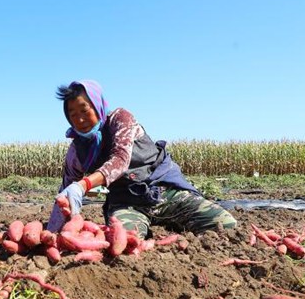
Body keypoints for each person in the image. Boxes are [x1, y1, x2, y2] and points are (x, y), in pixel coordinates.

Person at [48, 79, 237, 237]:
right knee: (124, 242)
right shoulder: (77, 151)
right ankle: (155, 226)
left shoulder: (120, 119)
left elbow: (120, 160)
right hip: (127, 205)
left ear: (98, 106)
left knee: (226, 225)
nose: (79, 120)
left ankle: (178, 223)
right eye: (72, 115)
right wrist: (52, 231)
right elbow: (65, 191)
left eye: (84, 110)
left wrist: (83, 185)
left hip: (164, 193)